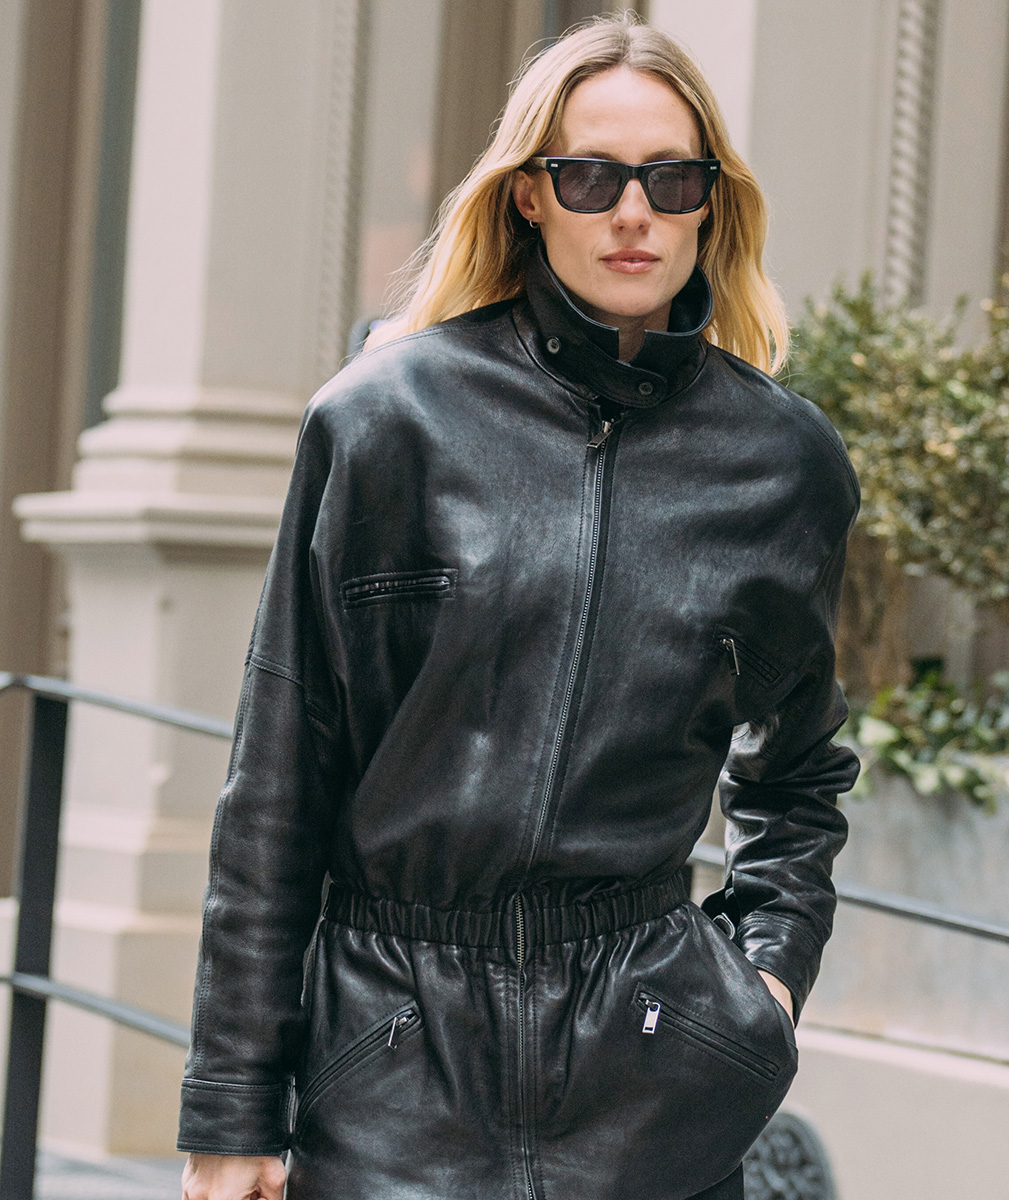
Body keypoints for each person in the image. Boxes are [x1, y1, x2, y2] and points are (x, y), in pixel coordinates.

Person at [178, 13, 859, 1200]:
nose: (633, 212)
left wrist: (764, 990)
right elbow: (279, 779)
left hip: (654, 1074)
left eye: (671, 177)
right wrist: (234, 1113)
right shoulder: (387, 421)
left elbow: (796, 778)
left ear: (712, 200)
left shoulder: (782, 464)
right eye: (591, 175)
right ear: (530, 195)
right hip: (393, 1056)